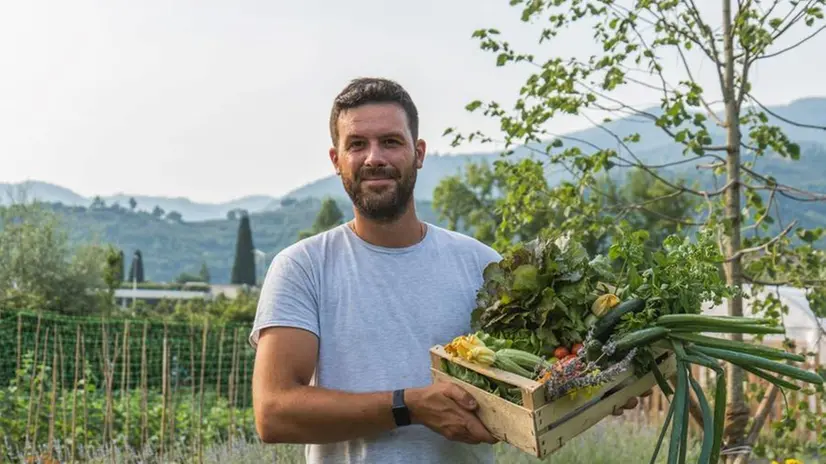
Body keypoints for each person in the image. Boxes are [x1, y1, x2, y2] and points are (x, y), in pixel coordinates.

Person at [249, 77, 642, 464]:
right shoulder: (303, 267)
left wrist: (598, 390)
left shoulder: (483, 266)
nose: (374, 158)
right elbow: (274, 412)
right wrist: (409, 406)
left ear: (418, 153)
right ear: (336, 160)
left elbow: (538, 375)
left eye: (390, 141)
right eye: (357, 144)